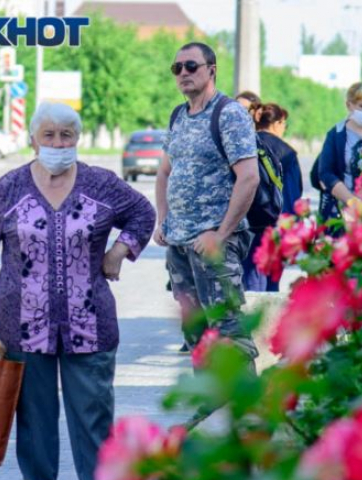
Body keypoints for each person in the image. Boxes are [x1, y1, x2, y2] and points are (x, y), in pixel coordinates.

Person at [0, 102, 156, 480]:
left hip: (90, 320)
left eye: (66, 135)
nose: (57, 143)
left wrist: (121, 251)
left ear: (77, 139)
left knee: (93, 413)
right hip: (21, 321)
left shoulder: (100, 184)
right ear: (33, 139)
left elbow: (143, 212)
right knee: (34, 411)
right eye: (48, 135)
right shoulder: (10, 187)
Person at [154, 42, 260, 423]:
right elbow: (165, 171)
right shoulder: (178, 116)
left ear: (211, 69)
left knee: (228, 325)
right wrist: (162, 219)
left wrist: (220, 233)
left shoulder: (229, 114)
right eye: (177, 67)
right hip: (180, 246)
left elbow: (248, 178)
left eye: (191, 66)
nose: (183, 72)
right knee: (196, 332)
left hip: (213, 245)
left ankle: (250, 412)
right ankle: (211, 410)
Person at [243, 102, 303, 291]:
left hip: (245, 222)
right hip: (276, 224)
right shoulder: (287, 153)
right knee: (271, 281)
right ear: (277, 123)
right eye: (285, 124)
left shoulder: (243, 145)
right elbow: (293, 194)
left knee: (249, 278)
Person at [317, 82, 362, 224]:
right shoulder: (336, 134)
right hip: (344, 210)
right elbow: (326, 173)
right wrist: (352, 202)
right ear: (350, 105)